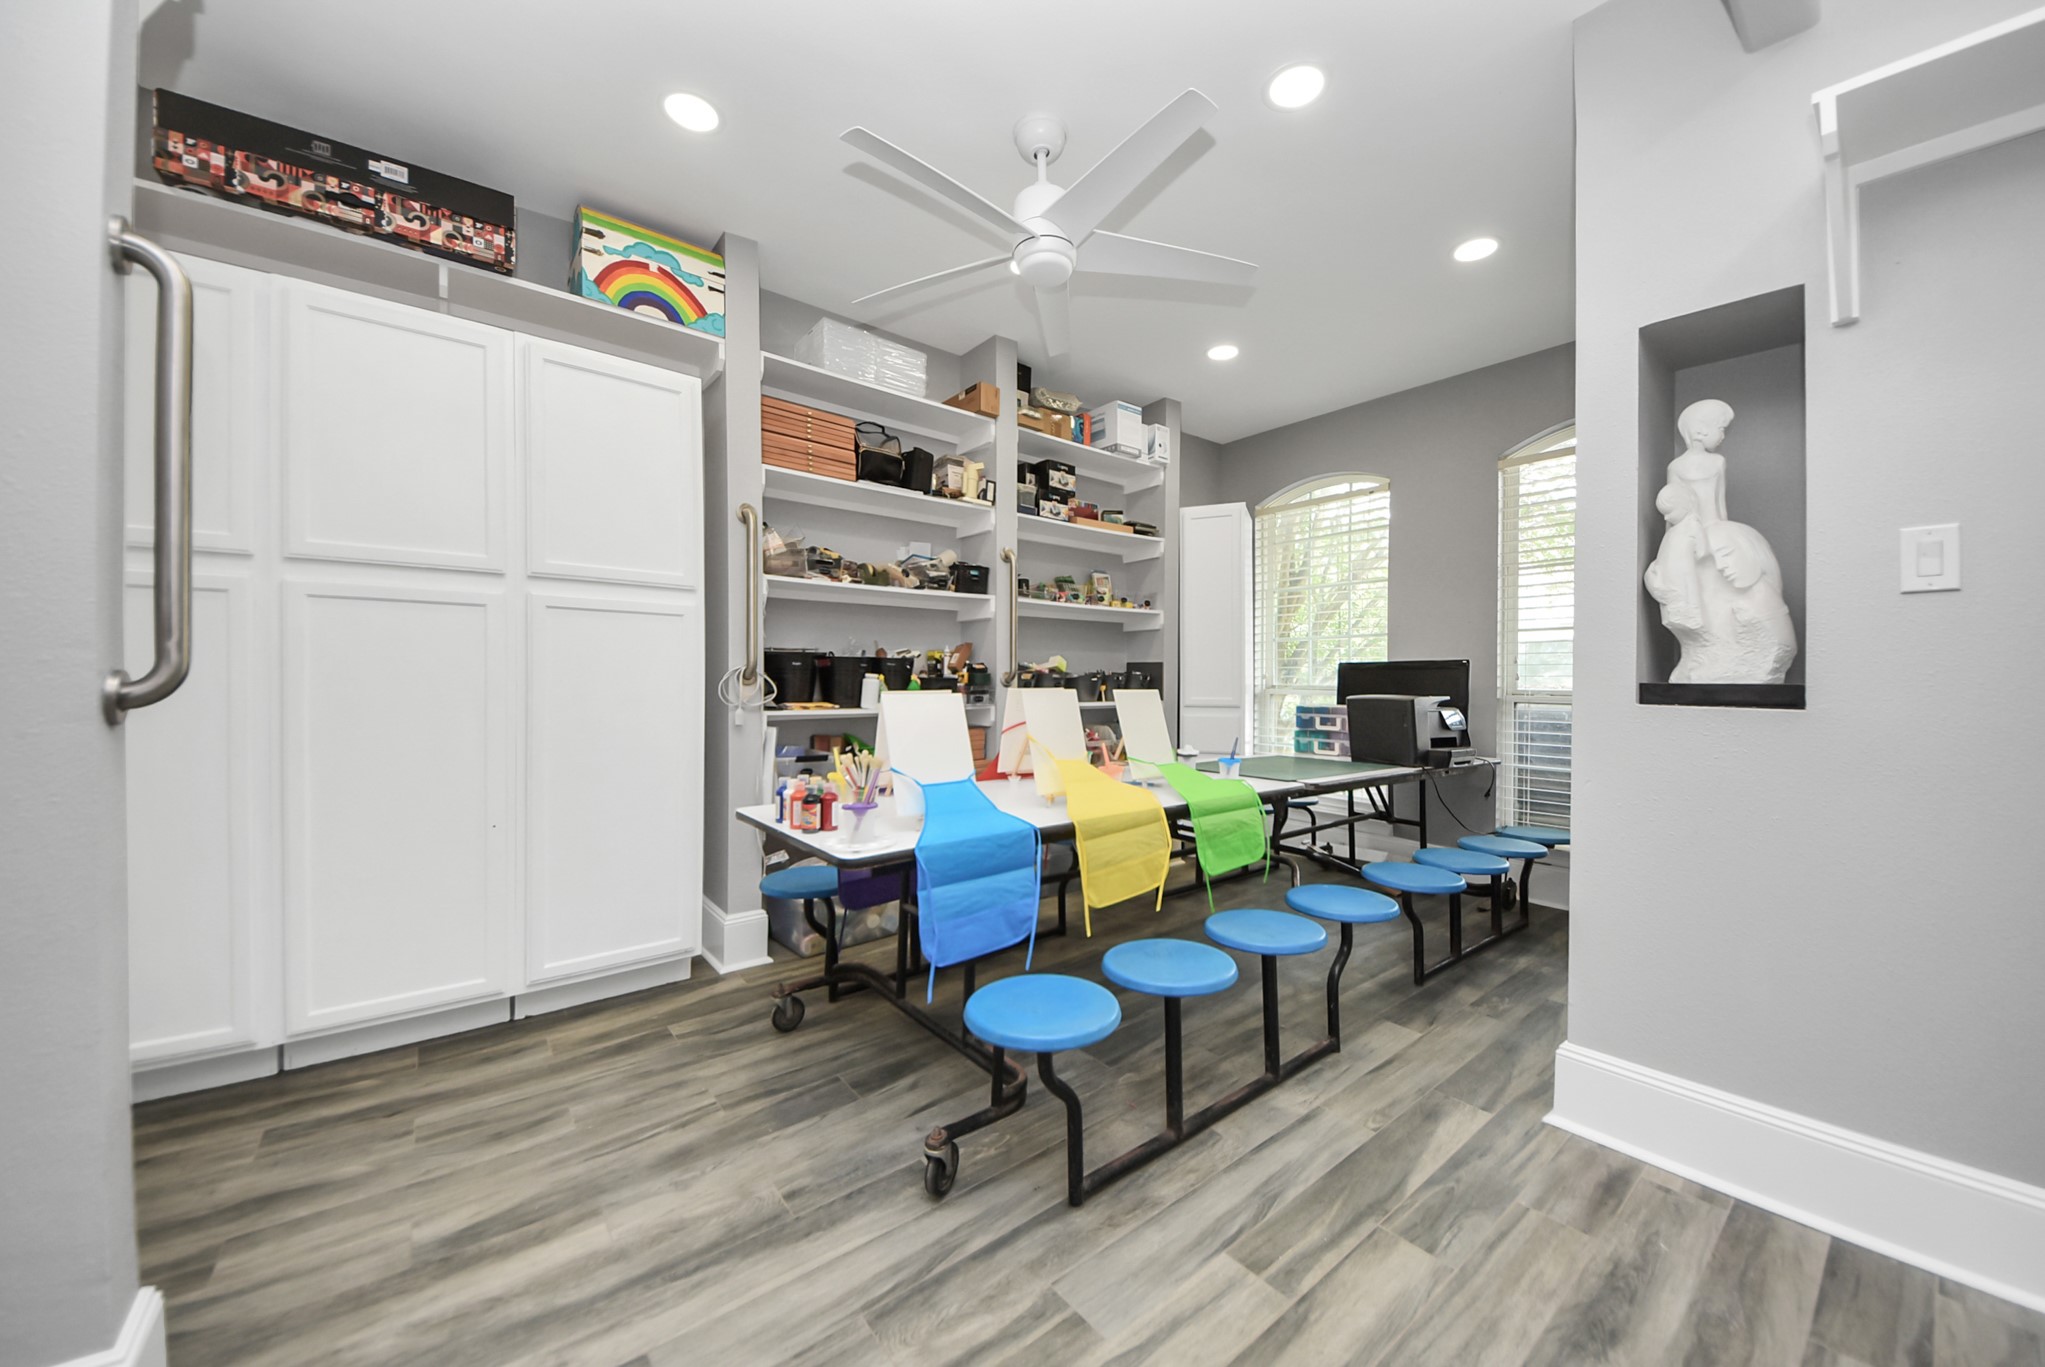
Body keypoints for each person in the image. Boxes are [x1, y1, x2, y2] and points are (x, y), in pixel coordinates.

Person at [1644, 399, 1797, 684]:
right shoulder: (1700, 464)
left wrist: (1679, 541)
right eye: (1721, 429)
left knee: (1733, 581)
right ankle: (1710, 648)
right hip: (1707, 529)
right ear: (1701, 431)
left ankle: (1741, 641)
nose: (1723, 436)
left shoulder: (1695, 464)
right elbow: (1709, 505)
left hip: (1702, 531)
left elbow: (1688, 507)